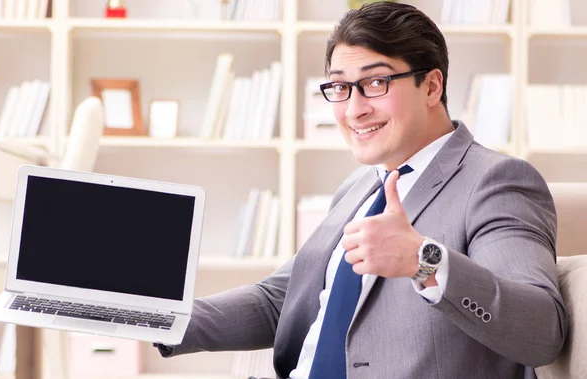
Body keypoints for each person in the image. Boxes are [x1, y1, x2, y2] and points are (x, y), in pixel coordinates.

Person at [155, 2, 568, 378]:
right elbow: (281, 300)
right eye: (339, 87)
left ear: (431, 87)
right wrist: (159, 316)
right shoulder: (359, 186)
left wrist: (423, 262)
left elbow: (541, 331)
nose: (354, 109)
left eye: (375, 83)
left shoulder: (496, 180)